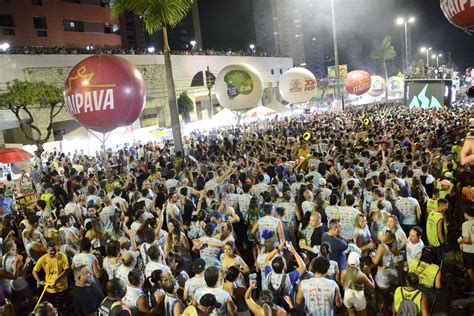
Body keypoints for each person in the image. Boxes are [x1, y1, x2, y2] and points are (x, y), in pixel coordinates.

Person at [32, 240, 71, 315]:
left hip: (61, 287)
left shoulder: (62, 256)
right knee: (50, 310)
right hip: (49, 289)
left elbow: (66, 270)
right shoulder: (43, 259)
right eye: (51, 251)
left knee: (62, 308)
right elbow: (34, 271)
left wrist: (56, 280)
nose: (53, 252)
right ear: (47, 250)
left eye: (54, 250)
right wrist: (39, 281)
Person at [426, 198, 448, 265]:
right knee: (439, 260)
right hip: (437, 243)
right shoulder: (439, 217)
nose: (447, 207)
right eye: (446, 206)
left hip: (430, 240)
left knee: (432, 257)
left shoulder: (431, 213)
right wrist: (442, 242)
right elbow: (439, 232)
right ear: (441, 206)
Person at [459, 206, 474, 288]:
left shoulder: (465, 224)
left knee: (469, 268)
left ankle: (472, 285)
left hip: (469, 251)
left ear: (466, 214)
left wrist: (460, 241)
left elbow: (467, 240)